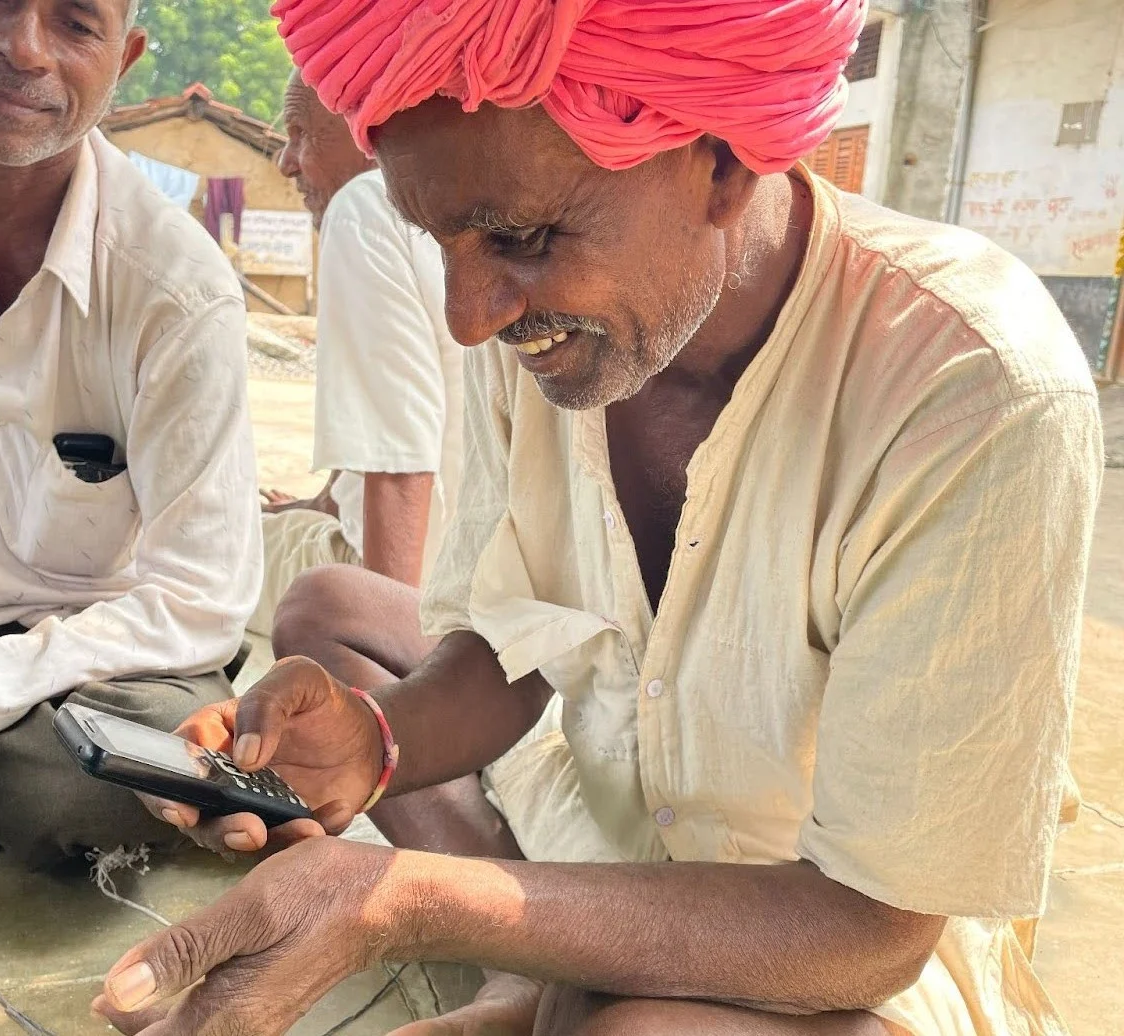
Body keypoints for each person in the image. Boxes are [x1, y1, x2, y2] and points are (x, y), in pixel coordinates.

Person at [96, 1, 1103, 1035]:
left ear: (719, 162)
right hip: (600, 830)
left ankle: (544, 991)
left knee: (638, 1029)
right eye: (441, 240)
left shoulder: (972, 387)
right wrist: (373, 742)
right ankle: (538, 986)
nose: (468, 314)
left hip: (829, 949)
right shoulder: (545, 336)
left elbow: (873, 927)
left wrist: (402, 899)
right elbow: (514, 648)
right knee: (331, 612)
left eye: (523, 236)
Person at [0, 0, 261, 868]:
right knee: (137, 787)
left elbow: (200, 601)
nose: (22, 47)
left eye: (75, 23)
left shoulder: (178, 293)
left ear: (126, 58)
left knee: (134, 753)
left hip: (85, 660)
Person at [249, 71, 467, 658]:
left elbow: (400, 465)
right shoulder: (465, 194)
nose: (285, 162)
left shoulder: (366, 208)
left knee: (191, 547)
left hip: (416, 592)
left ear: (365, 130)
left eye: (300, 134)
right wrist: (315, 503)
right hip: (477, 578)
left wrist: (393, 666)